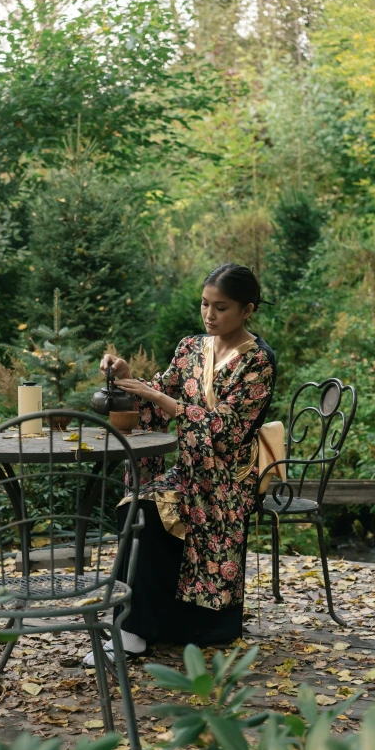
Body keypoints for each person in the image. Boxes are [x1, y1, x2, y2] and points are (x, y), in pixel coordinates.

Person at [83, 263, 277, 665]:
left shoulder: (258, 362)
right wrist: (126, 375)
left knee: (149, 515)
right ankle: (135, 626)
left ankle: (150, 629)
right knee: (135, 509)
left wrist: (167, 405)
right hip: (187, 470)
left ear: (248, 310)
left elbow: (228, 430)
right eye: (205, 304)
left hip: (227, 477)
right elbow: (158, 392)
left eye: (221, 307)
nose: (209, 315)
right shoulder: (190, 348)